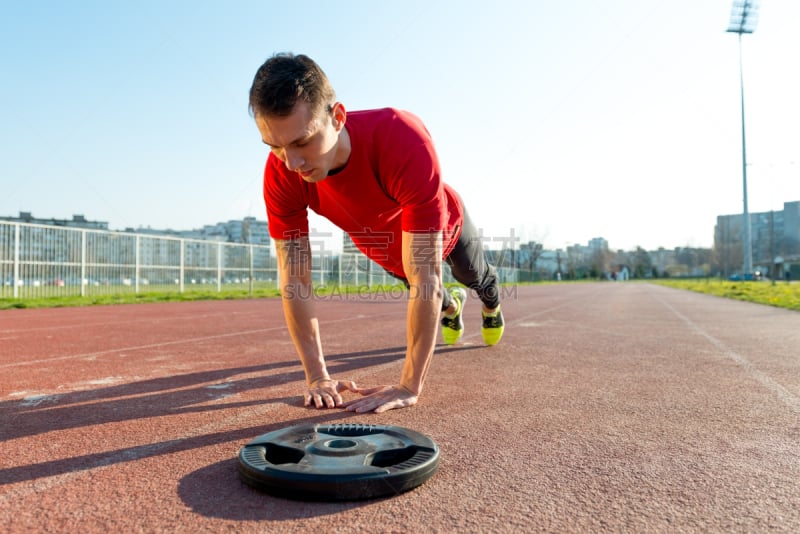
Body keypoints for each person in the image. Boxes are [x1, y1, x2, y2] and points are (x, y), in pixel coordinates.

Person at [249, 53, 504, 413]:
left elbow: (426, 275)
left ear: (337, 118)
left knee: (472, 276)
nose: (292, 162)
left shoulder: (401, 137)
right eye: (275, 146)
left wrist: (408, 386)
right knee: (436, 296)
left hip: (446, 226)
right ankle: (453, 307)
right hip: (384, 246)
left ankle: (491, 304)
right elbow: (296, 280)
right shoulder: (282, 173)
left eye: (302, 141)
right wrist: (317, 375)